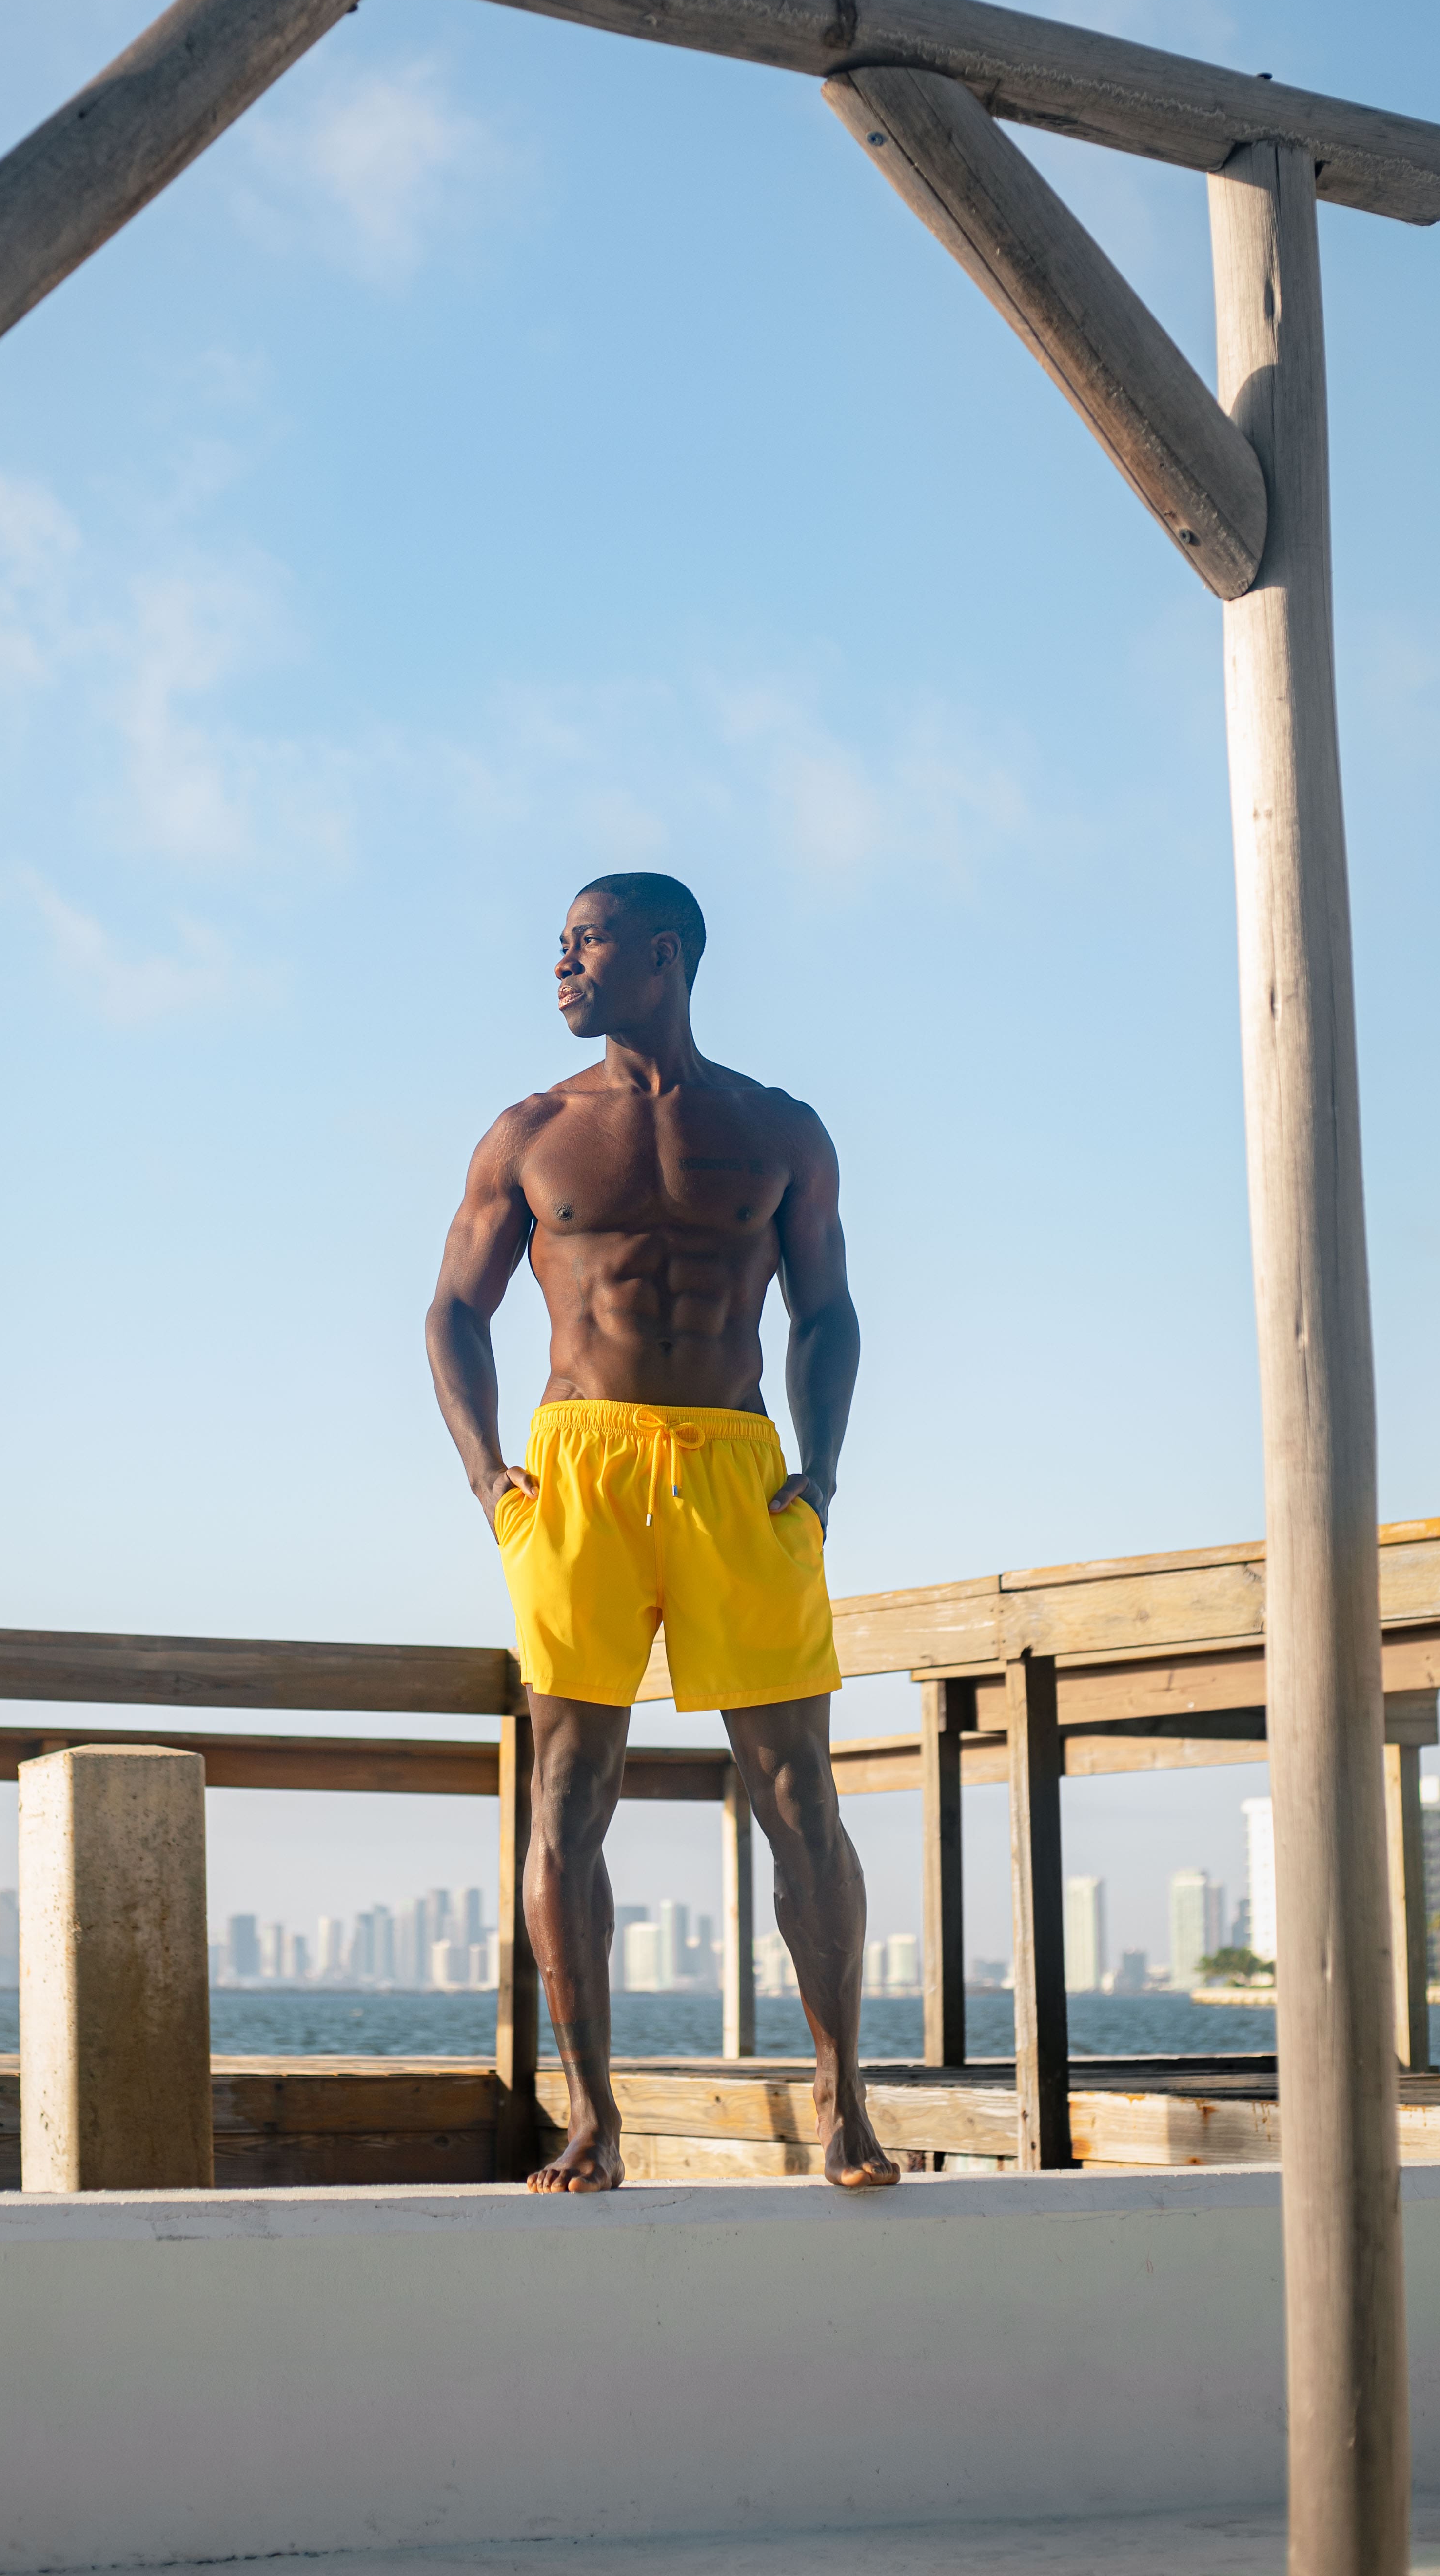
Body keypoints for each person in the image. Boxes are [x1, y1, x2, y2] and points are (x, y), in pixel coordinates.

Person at [425, 872, 899, 2195]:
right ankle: (592, 2117)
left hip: (738, 1470)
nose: (561, 965)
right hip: (578, 1471)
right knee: (571, 1794)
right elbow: (453, 1310)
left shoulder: (780, 1128)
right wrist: (488, 1478)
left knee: (800, 1793)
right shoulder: (531, 1132)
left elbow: (827, 1309)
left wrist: (824, 1470)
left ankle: (841, 2098)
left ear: (665, 954)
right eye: (561, 945)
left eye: (585, 943)